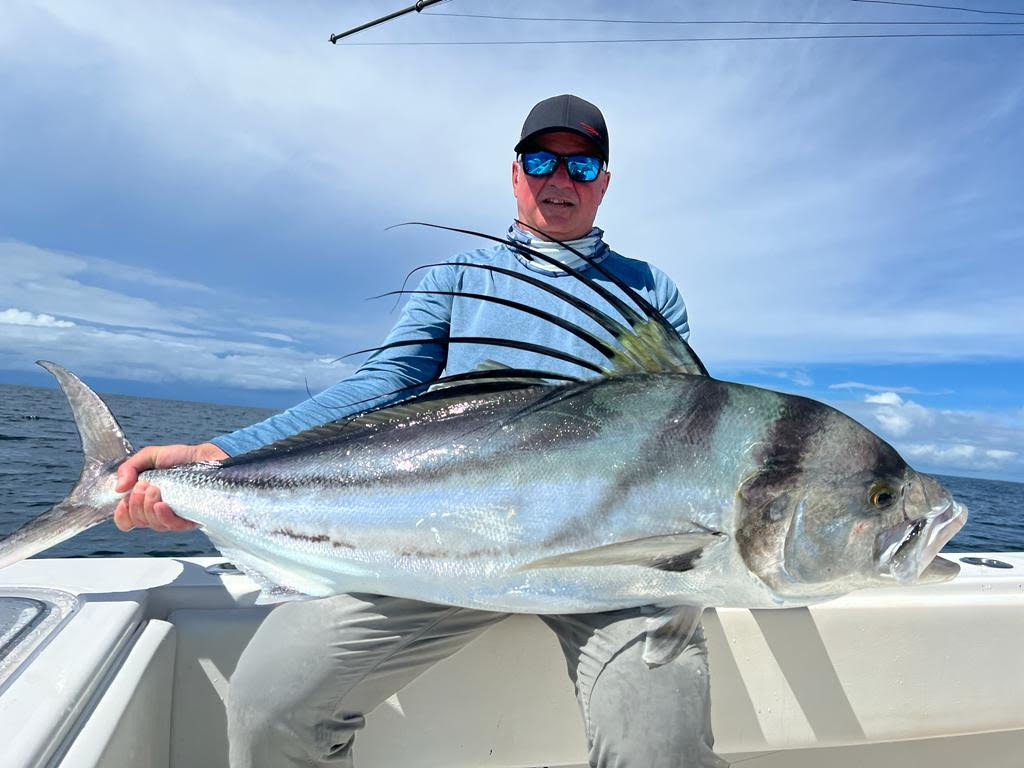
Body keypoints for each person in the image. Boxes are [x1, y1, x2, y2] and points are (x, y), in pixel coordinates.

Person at [115, 94, 725, 768]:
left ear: (604, 184)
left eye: (582, 167)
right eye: (543, 160)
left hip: (608, 554)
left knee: (660, 749)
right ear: (516, 172)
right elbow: (381, 386)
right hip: (444, 538)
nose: (560, 180)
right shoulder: (457, 278)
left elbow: (673, 426)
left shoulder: (649, 290)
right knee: (270, 707)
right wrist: (216, 454)